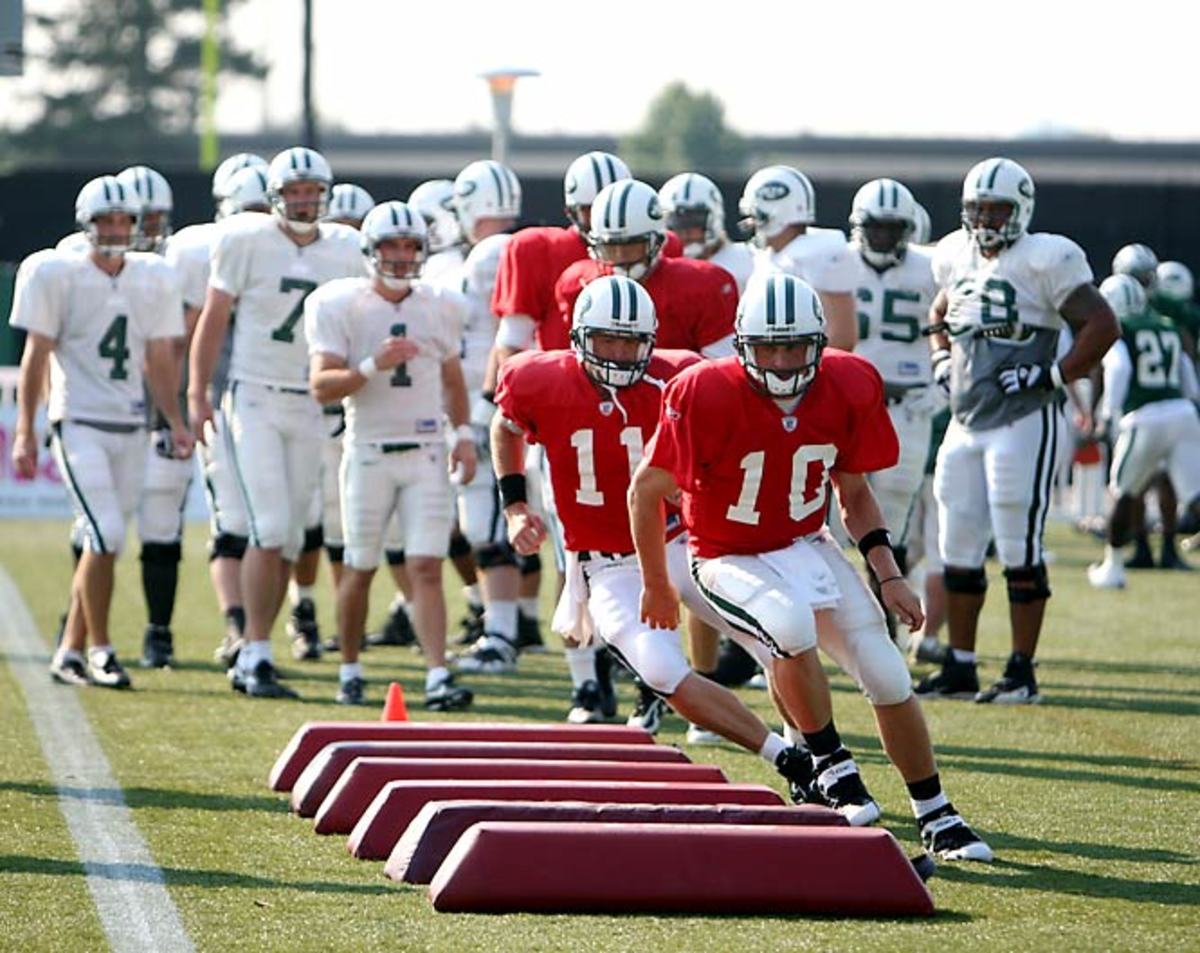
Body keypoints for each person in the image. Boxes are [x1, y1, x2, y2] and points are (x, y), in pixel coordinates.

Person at [630, 272, 992, 860]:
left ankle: (936, 812)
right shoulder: (704, 390)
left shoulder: (849, 382)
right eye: (767, 347)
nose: (779, 361)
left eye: (793, 346)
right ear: (742, 345)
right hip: (725, 553)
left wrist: (889, 572)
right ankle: (831, 765)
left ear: (818, 344)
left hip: (807, 544)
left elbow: (854, 494)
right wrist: (655, 582)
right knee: (788, 624)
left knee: (888, 673)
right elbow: (645, 493)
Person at [492, 274, 825, 808]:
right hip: (605, 565)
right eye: (607, 341)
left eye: (631, 341)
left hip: (682, 542)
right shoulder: (535, 378)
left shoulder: (680, 376)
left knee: (773, 639)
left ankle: (818, 756)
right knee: (663, 671)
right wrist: (514, 506)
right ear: (578, 337)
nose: (620, 354)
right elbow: (505, 427)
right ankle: (788, 759)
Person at [917, 157, 1119, 703]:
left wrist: (1054, 372)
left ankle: (1021, 671)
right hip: (964, 420)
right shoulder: (954, 255)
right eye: (977, 208)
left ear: (1021, 209)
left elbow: (1102, 323)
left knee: (1017, 544)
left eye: (997, 208)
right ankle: (960, 665)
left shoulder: (1044, 257)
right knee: (956, 543)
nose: (985, 219)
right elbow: (938, 314)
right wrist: (940, 360)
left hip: (1023, 421)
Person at [552, 178, 740, 729]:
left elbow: (723, 377)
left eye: (632, 245)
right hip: (598, 431)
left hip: (674, 431)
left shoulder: (702, 283)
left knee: (696, 562)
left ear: (657, 238)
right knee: (588, 556)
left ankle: (696, 688)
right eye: (609, 247)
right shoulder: (577, 282)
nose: (620, 259)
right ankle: (605, 681)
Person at [188, 146, 363, 698]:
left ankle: (255, 649)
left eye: (313, 190)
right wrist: (197, 392)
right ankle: (255, 652)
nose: (305, 200)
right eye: (295, 191)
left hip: (311, 401)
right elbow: (213, 319)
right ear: (274, 196)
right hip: (256, 395)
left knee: (289, 533)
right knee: (267, 526)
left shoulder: (348, 248)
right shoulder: (243, 239)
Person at [10, 175, 192, 688]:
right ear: (85, 226)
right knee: (106, 533)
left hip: (131, 423)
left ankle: (69, 650)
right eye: (106, 221)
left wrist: (174, 420)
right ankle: (101, 650)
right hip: (79, 420)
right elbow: (36, 355)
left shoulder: (153, 275)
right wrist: (26, 430)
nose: (115, 230)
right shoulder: (55, 271)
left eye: (123, 221)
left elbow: (159, 358)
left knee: (103, 538)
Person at [306, 200, 477, 708]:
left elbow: (450, 379)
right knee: (359, 566)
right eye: (391, 246)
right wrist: (370, 364)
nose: (402, 256)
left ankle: (438, 673)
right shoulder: (341, 304)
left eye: (411, 246)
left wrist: (463, 433)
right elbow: (321, 386)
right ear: (369, 251)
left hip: (425, 449)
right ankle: (350, 668)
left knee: (427, 564)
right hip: (368, 450)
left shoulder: (440, 303)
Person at [168, 161, 270, 666]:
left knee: (281, 526)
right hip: (225, 399)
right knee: (233, 521)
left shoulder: (295, 248)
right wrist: (188, 397)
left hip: (278, 400)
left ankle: (280, 623)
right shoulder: (199, 250)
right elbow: (182, 334)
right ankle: (238, 628)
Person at [846, 178, 943, 646]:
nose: (884, 237)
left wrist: (944, 380)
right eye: (876, 228)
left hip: (910, 403)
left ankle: (886, 623)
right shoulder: (835, 263)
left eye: (892, 229)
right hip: (846, 403)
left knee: (895, 519)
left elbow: (957, 323)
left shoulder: (931, 267)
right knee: (824, 518)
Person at [112, 164, 196, 668]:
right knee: (97, 528)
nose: (146, 231)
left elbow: (178, 346)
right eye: (136, 219)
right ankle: (79, 620)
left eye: (154, 219)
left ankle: (157, 631)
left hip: (162, 413)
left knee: (163, 526)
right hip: (103, 413)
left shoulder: (176, 267)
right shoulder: (77, 265)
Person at [1087, 275, 1200, 588]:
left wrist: (1108, 414)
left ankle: (1113, 568)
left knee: (1122, 492)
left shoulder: (1119, 328)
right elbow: (1187, 372)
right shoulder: (1167, 324)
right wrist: (1190, 404)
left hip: (1144, 416)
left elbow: (1119, 369)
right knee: (1194, 497)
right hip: (1182, 411)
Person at [739, 164, 857, 350]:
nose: (752, 223)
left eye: (756, 215)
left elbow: (843, 337)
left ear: (774, 213)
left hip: (807, 368)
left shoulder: (820, 252)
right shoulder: (768, 257)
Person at [658, 172, 754, 293]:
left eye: (695, 221)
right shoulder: (653, 268)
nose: (686, 232)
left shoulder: (747, 262)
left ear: (714, 220)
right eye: (677, 223)